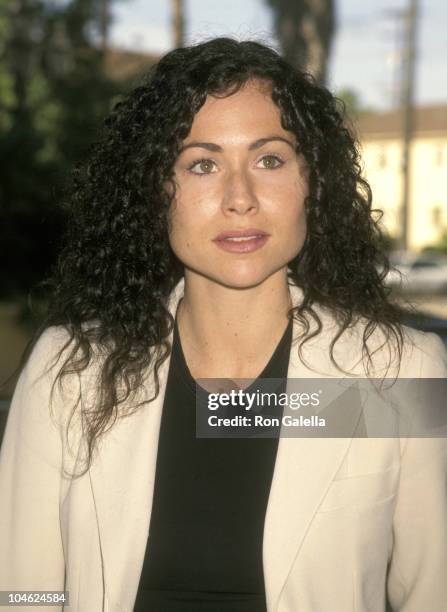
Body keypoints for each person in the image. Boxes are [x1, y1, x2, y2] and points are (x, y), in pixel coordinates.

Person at [0, 37, 446, 612]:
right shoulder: (71, 371)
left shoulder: (396, 375)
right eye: (202, 164)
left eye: (269, 159)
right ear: (158, 191)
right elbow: (24, 592)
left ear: (313, 184)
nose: (241, 197)